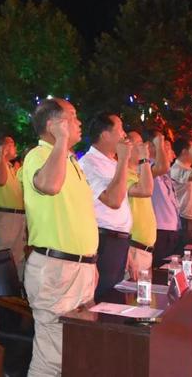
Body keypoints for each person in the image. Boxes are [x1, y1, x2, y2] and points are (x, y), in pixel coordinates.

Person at [23, 98, 98, 376]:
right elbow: (49, 185)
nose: (79, 123)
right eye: (73, 116)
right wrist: (61, 141)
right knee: (52, 357)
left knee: (73, 351)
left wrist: (90, 263)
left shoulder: (69, 160)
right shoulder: (38, 156)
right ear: (53, 124)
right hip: (56, 270)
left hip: (79, 269)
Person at [79, 112, 132, 301]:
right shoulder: (87, 164)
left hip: (119, 241)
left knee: (115, 297)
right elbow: (113, 200)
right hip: (104, 240)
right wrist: (125, 160)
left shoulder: (112, 163)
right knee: (103, 298)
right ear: (105, 134)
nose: (125, 135)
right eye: (120, 129)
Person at [0, 136, 26, 277]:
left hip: (17, 216)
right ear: (4, 147)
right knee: (3, 255)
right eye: (12, 145)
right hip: (4, 217)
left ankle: (14, 290)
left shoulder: (10, 166)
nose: (15, 149)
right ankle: (0, 291)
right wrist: (2, 155)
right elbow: (0, 181)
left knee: (17, 256)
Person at [144, 132, 180, 266]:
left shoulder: (165, 171)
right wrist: (160, 145)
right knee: (159, 270)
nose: (167, 151)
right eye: (163, 146)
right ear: (150, 147)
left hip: (171, 228)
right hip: (159, 228)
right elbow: (162, 167)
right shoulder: (146, 166)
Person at [125, 131, 155, 280]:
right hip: (133, 248)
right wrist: (145, 160)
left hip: (145, 250)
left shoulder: (138, 174)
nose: (144, 148)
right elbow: (146, 190)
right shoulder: (123, 173)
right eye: (139, 144)